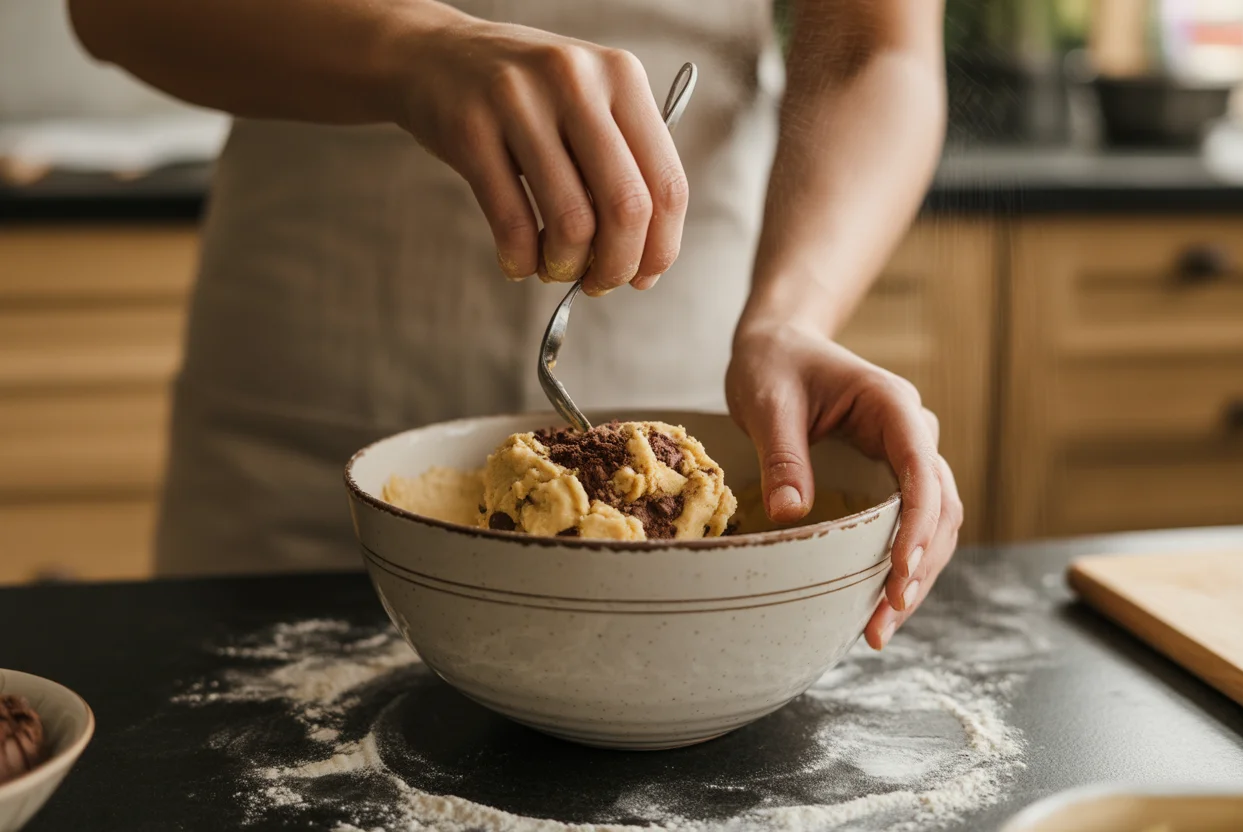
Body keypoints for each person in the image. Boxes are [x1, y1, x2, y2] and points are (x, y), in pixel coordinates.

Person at [68, 0, 959, 650]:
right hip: (300, 412)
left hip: (686, 354)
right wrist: (408, 49)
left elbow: (873, 48)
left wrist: (790, 318)